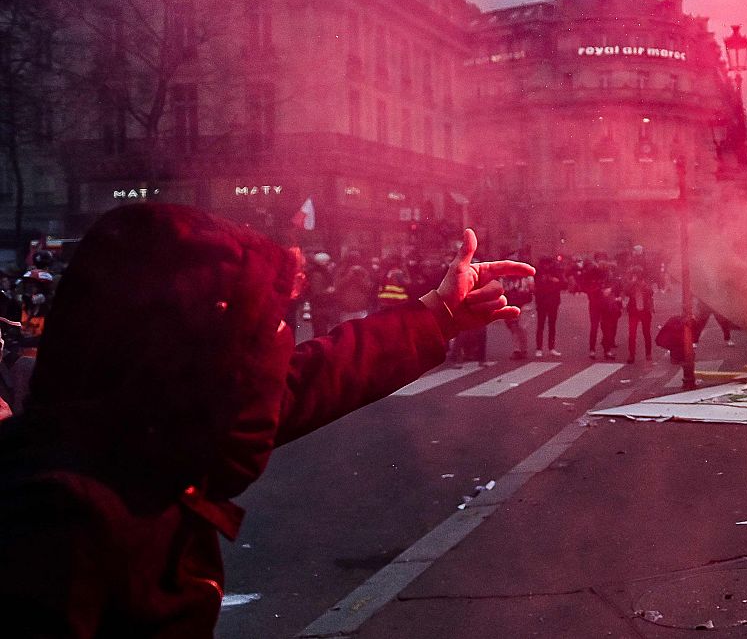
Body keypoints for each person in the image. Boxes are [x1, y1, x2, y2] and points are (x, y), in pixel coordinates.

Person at [0, 203, 532, 636]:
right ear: (190, 357)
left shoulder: (140, 436)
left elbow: (309, 380)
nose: (273, 364)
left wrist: (436, 314)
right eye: (264, 340)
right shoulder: (61, 532)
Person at [532, 255, 566, 358]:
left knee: (552, 325)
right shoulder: (537, 273)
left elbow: (563, 284)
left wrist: (554, 280)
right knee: (540, 325)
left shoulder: (556, 272)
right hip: (542, 301)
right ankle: (539, 348)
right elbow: (535, 286)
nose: (546, 266)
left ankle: (551, 348)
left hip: (553, 301)